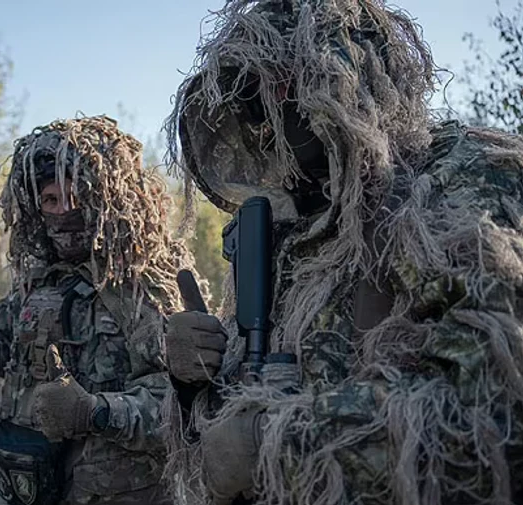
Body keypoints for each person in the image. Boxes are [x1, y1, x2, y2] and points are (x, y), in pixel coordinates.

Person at [160, 1, 523, 504]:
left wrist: (275, 445)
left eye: (282, 87)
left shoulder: (454, 186)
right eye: (256, 100)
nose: (268, 117)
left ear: (341, 74)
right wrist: (191, 383)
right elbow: (230, 432)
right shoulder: (285, 231)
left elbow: (496, 411)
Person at [0, 115, 198, 505]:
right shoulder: (37, 281)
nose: (63, 212)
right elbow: (22, 360)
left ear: (103, 199)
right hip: (39, 485)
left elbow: (179, 407)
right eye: (50, 201)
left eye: (74, 197)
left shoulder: (143, 286)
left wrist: (94, 412)